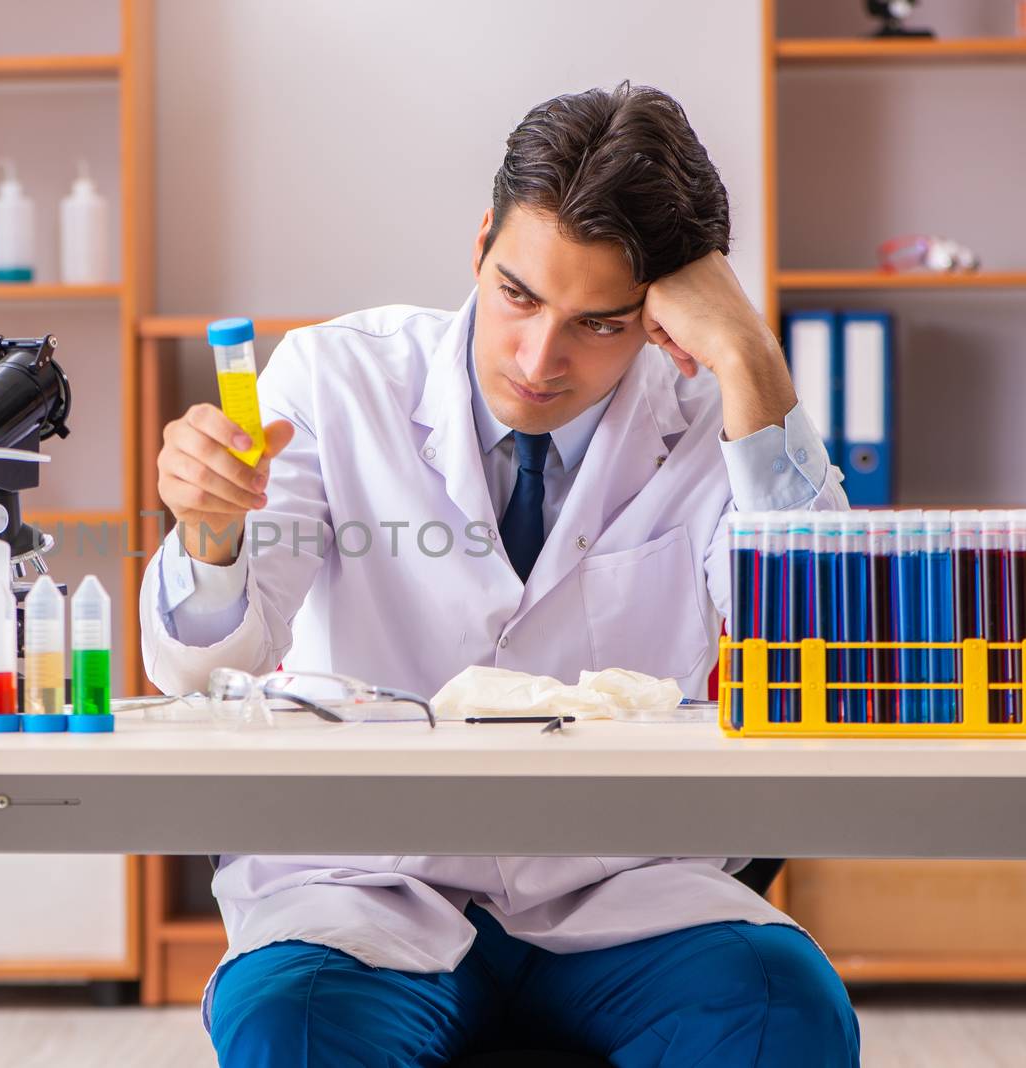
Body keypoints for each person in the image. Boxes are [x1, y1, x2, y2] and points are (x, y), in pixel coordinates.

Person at [140, 83, 859, 1067]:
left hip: (623, 891)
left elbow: (830, 652)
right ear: (480, 243)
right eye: (517, 295)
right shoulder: (332, 381)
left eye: (598, 323)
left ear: (660, 316)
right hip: (366, 882)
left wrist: (746, 353)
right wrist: (210, 539)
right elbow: (204, 667)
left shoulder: (712, 419)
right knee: (294, 1034)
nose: (537, 358)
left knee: (784, 1016)